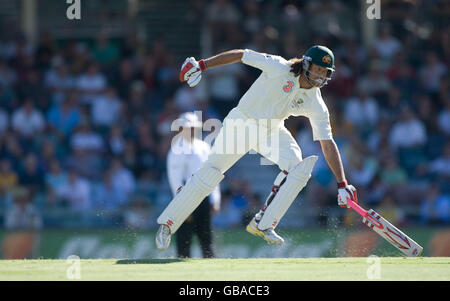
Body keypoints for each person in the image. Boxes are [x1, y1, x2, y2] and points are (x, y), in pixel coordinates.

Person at [156, 46, 358, 250]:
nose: (320, 76)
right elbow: (241, 55)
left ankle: (264, 222)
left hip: (271, 130)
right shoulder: (280, 67)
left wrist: (342, 184)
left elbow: (327, 142)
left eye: (325, 72)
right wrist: (202, 65)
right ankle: (168, 224)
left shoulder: (315, 101)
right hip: (241, 123)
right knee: (210, 174)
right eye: (318, 69)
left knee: (298, 168)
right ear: (306, 64)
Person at [167, 112, 221, 258]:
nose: (190, 131)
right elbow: (175, 180)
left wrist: (215, 199)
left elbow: (213, 173)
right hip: (186, 196)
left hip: (203, 196)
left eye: (193, 128)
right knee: (184, 241)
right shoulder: (176, 150)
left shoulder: (204, 147)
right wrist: (182, 205)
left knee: (207, 240)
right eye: (187, 128)